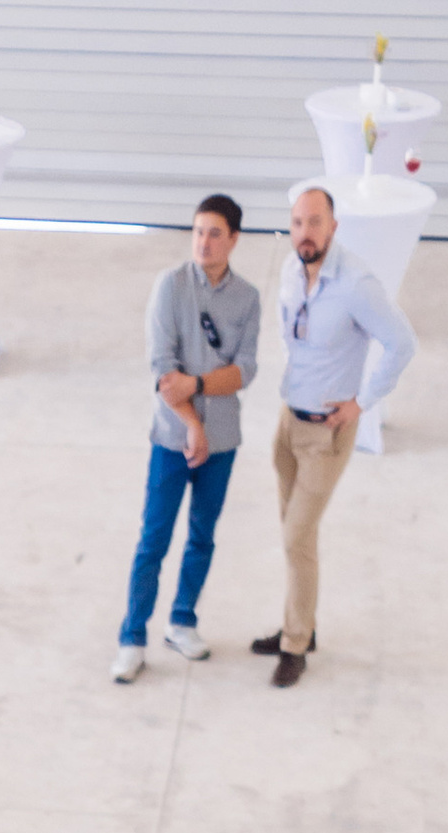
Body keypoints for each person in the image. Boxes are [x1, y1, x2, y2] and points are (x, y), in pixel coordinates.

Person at [258, 184, 418, 686]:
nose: (306, 233)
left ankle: (295, 643)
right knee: (295, 539)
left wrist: (362, 403)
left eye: (316, 222)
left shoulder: (356, 284)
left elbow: (401, 343)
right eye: (299, 223)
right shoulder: (289, 272)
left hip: (327, 436)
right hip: (290, 422)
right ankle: (301, 624)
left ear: (333, 227)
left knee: (296, 537)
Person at [115, 195, 262, 683]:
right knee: (154, 537)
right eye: (198, 231)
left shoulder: (248, 299)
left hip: (223, 441)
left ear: (234, 239)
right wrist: (193, 422)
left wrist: (197, 385)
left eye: (215, 233)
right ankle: (132, 637)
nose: (204, 241)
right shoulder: (170, 286)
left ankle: (183, 621)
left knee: (202, 535)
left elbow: (244, 372)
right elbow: (162, 368)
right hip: (172, 438)